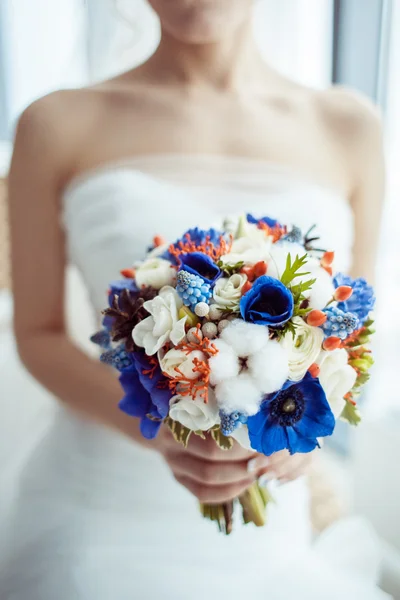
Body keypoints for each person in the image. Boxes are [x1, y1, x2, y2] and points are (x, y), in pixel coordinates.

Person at [1, 0, 389, 598]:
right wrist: (161, 428)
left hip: (270, 528)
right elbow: (38, 333)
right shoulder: (55, 123)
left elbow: (352, 332)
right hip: (99, 510)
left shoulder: (350, 126)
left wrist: (300, 437)